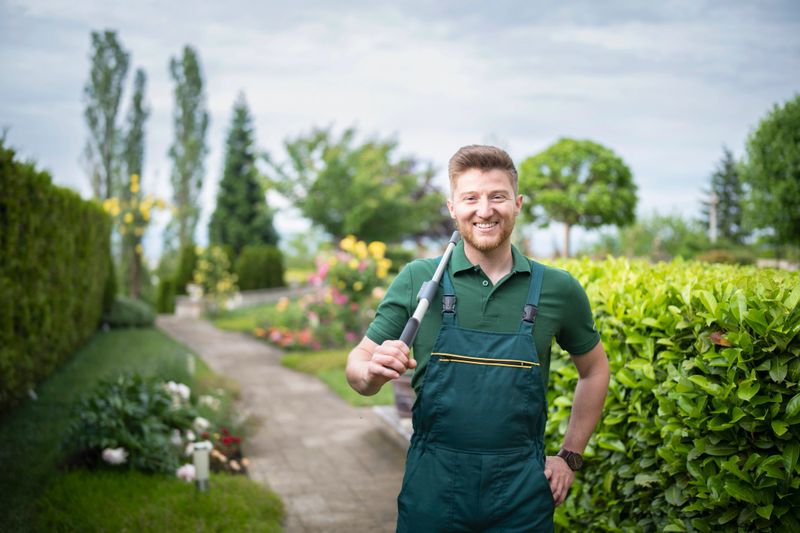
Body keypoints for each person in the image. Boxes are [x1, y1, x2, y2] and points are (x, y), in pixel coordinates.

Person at [346, 144, 610, 532]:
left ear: (517, 203)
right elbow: (358, 363)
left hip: (522, 490)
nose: (484, 210)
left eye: (497, 196)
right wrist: (370, 372)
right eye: (471, 198)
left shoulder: (558, 289)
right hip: (432, 484)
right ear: (453, 207)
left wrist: (569, 456)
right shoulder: (419, 280)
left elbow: (595, 370)